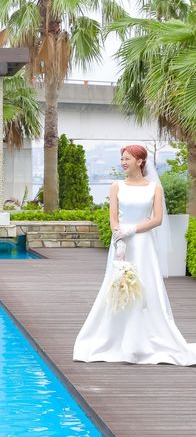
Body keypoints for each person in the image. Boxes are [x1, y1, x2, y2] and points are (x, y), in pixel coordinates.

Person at [73, 144, 196, 366]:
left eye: (127, 158)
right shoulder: (116, 186)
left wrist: (133, 230)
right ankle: (113, 338)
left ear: (140, 161)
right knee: (117, 285)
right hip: (122, 243)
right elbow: (113, 218)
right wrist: (119, 238)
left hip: (143, 244)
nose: (123, 162)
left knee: (146, 287)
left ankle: (144, 341)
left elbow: (157, 219)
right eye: (122, 158)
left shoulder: (154, 189)